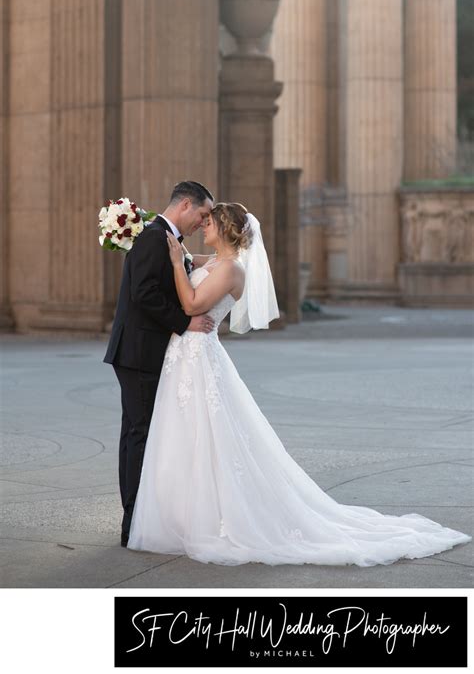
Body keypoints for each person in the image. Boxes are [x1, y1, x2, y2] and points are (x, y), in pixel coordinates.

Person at [126, 202, 472, 566]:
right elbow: (190, 261)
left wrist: (174, 262)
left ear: (225, 229)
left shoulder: (233, 270)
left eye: (209, 222)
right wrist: (176, 253)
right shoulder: (212, 262)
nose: (203, 226)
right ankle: (182, 515)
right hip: (184, 357)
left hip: (198, 356)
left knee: (210, 437)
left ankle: (215, 519)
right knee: (184, 435)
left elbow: (192, 302)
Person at [103, 180, 215, 548]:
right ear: (185, 205)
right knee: (140, 434)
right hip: (138, 352)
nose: (203, 222)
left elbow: (170, 275)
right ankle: (133, 521)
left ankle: (136, 516)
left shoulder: (166, 239)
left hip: (140, 350)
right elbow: (145, 293)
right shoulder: (154, 238)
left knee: (136, 433)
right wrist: (186, 323)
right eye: (202, 214)